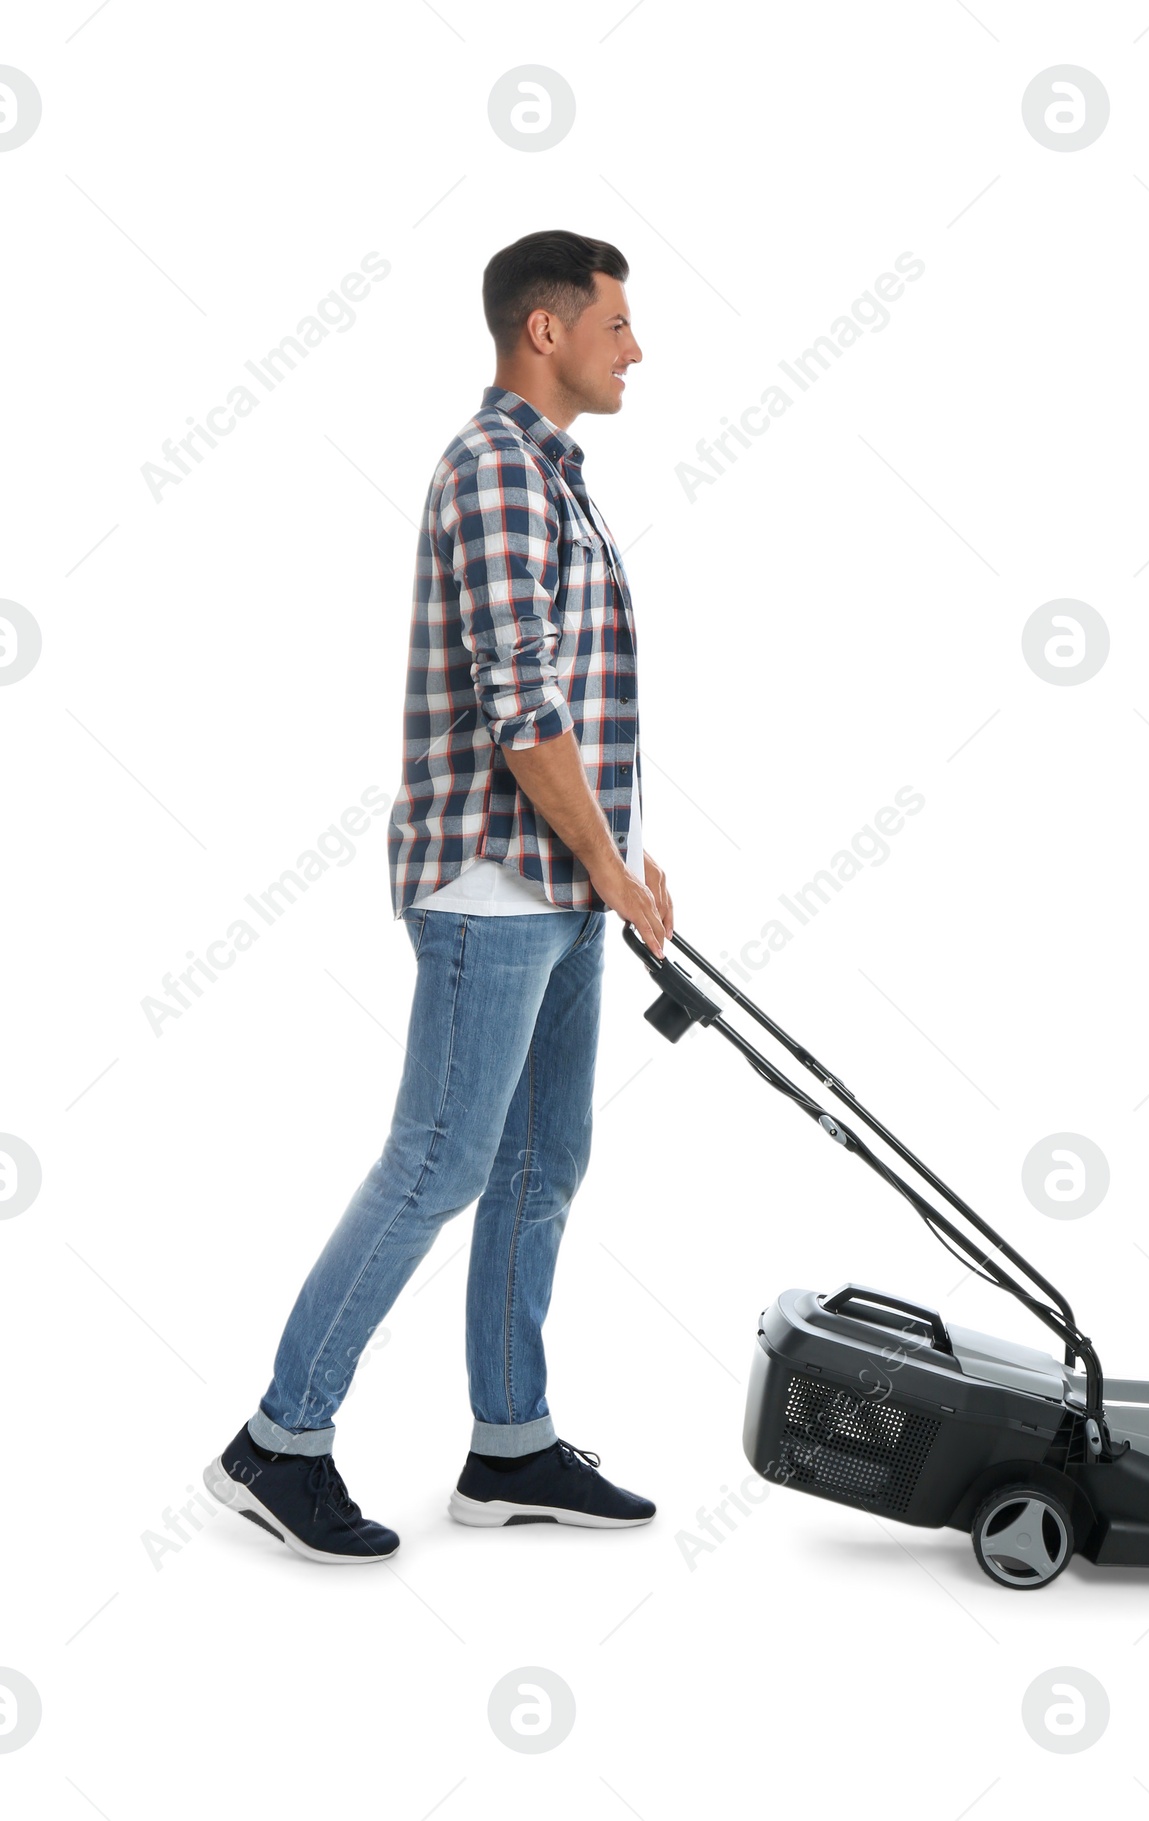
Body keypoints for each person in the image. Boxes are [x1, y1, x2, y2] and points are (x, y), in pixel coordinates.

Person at [203, 229, 668, 1564]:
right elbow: (520, 712)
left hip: (562, 879)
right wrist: (605, 865)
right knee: (441, 1159)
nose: (636, 349)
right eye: (618, 324)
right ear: (545, 328)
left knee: (543, 1157)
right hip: (493, 881)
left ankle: (509, 1443)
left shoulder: (553, 477)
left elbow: (573, 702)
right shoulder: (498, 472)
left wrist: (624, 859)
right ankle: (277, 1442)